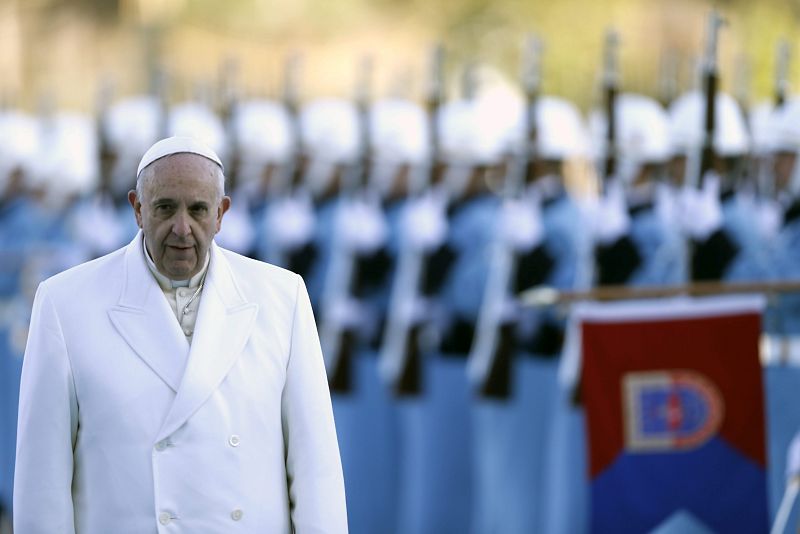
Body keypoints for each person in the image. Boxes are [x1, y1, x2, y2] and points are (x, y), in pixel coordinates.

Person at [13, 136, 347, 533]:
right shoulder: (65, 303)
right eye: (165, 208)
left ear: (222, 214)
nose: (182, 228)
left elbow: (315, 469)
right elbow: (42, 483)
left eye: (199, 210)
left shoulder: (282, 297)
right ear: (137, 208)